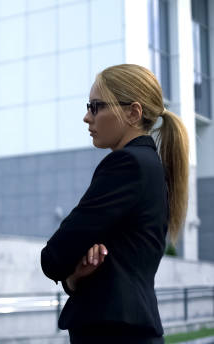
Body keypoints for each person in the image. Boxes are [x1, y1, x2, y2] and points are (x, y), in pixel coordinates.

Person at [40, 64, 189, 343]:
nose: (87, 117)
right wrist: (74, 277)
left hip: (115, 333)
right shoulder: (149, 164)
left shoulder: (128, 164)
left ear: (133, 112)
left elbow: (54, 256)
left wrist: (66, 269)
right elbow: (120, 262)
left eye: (96, 107)